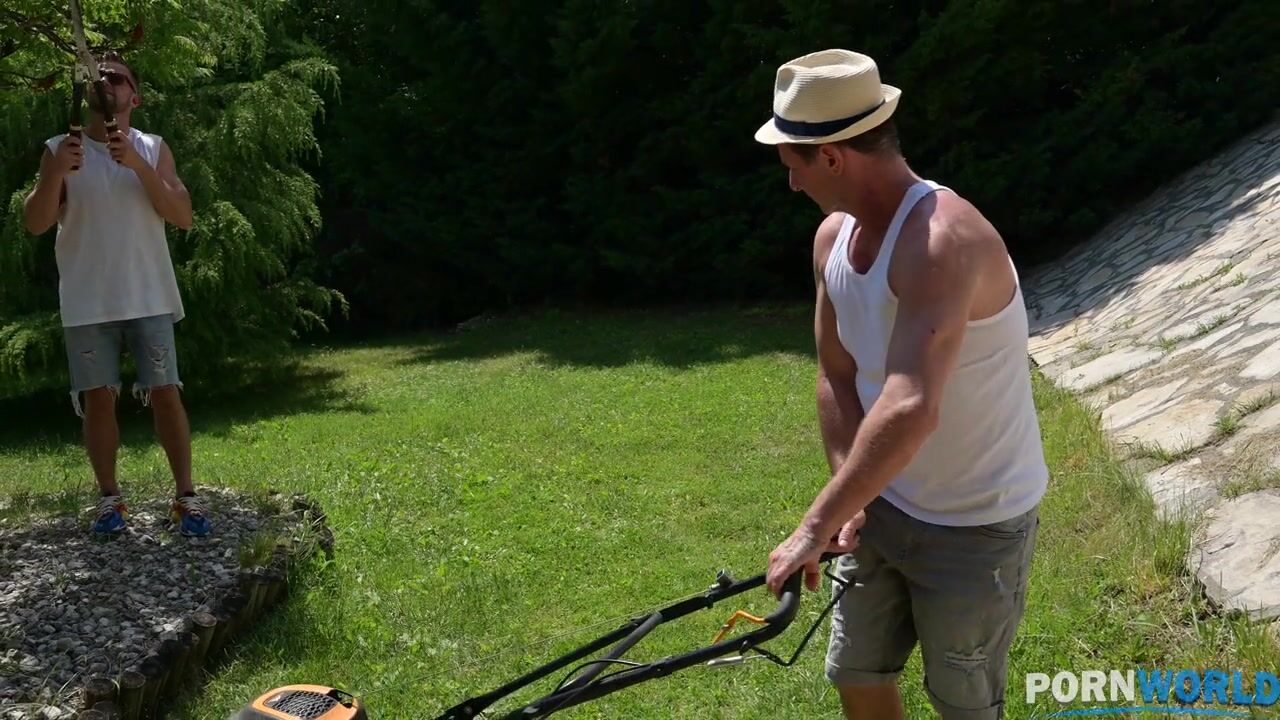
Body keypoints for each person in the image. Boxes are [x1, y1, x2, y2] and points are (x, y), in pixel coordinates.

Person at [756, 50, 1049, 719]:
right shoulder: (832, 240)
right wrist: (851, 498)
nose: (792, 184)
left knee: (963, 703)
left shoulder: (942, 240)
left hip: (976, 523)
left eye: (795, 165)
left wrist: (813, 526)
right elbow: (836, 372)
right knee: (855, 673)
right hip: (883, 507)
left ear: (832, 157)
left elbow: (911, 404)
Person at [21, 52, 210, 538]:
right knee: (98, 399)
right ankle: (109, 500)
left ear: (135, 96)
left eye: (116, 77)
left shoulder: (152, 147)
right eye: (98, 74)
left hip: (149, 295)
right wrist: (55, 174)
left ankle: (186, 498)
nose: (105, 80)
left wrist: (139, 167)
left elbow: (183, 215)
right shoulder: (60, 149)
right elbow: (36, 223)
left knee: (166, 393)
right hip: (88, 301)